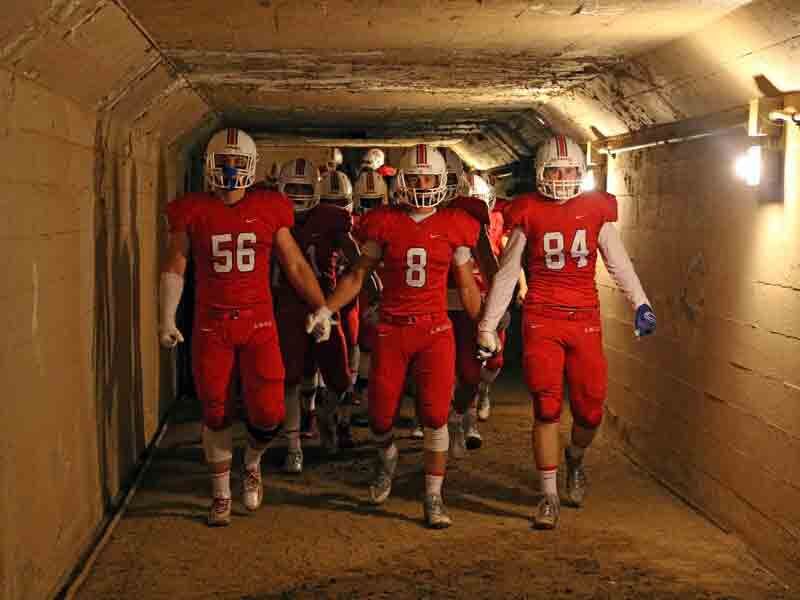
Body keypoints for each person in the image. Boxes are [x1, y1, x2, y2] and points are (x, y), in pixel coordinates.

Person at [477, 134, 657, 529]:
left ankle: (574, 459)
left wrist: (641, 303)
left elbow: (618, 263)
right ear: (541, 173)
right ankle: (548, 495)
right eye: (555, 170)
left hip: (585, 319)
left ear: (582, 173)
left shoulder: (595, 210)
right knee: (546, 407)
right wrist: (488, 324)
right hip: (542, 317)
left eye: (570, 170)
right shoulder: (527, 212)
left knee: (591, 410)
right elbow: (507, 275)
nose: (562, 177)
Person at [159, 129, 329, 526]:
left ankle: (251, 462)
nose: (231, 170)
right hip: (210, 323)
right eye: (223, 162)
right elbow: (176, 263)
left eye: (238, 163)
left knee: (268, 412)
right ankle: (220, 495)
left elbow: (295, 265)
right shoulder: (193, 210)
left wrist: (321, 306)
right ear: (209, 166)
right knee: (215, 411)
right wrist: (166, 316)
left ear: (252, 168)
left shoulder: (270, 207)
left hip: (259, 320)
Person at [306, 144, 482, 529]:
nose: (422, 185)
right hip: (392, 328)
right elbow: (356, 275)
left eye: (429, 178)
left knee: (435, 416)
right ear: (402, 181)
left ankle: (433, 496)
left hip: (435, 330)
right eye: (415, 177)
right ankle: (387, 456)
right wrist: (326, 308)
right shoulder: (384, 222)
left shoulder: (454, 225)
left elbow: (467, 286)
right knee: (380, 417)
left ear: (442, 183)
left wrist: (483, 326)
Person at [273, 161, 360, 472]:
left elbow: (358, 262)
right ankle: (294, 446)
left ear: (316, 192)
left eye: (304, 189)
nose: (297, 195)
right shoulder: (271, 217)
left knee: (338, 377)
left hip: (325, 305)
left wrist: (359, 290)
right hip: (286, 307)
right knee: (291, 378)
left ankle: (325, 415)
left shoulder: (331, 219)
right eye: (292, 188)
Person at [447, 172, 509, 456]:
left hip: (470, 303)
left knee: (474, 372)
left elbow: (491, 265)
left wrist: (498, 307)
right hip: (430, 307)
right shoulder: (409, 217)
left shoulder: (473, 220)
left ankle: (460, 417)